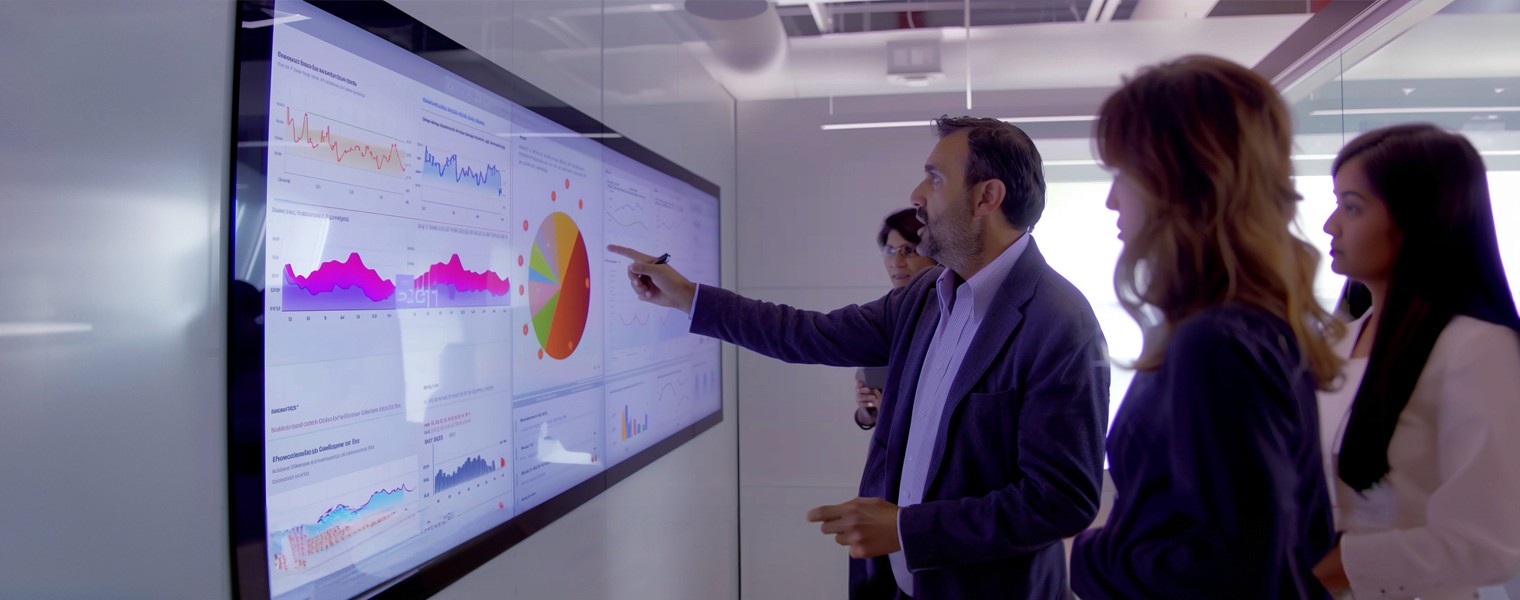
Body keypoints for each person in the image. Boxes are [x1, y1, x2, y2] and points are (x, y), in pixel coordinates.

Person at [610, 116, 1110, 599]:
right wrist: (688, 297)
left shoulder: (1060, 323)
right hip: (895, 586)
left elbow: (1062, 499)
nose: (917, 195)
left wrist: (907, 529)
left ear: (987, 197)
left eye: (935, 178)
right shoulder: (927, 295)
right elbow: (809, 333)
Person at [1069, 55, 1341, 598]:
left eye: (1123, 174)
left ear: (1179, 183)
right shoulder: (1256, 324)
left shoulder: (1215, 343)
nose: (1111, 199)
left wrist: (1089, 555)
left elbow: (1230, 572)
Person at [1311, 124, 1520, 599]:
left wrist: (1329, 568)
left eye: (1351, 207)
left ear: (1416, 220)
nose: (1331, 225)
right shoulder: (1337, 342)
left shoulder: (1476, 348)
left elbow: (1487, 543)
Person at [853, 208, 937, 430]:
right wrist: (868, 410)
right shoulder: (886, 316)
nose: (896, 262)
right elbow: (872, 419)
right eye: (890, 250)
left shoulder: (951, 315)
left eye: (909, 250)